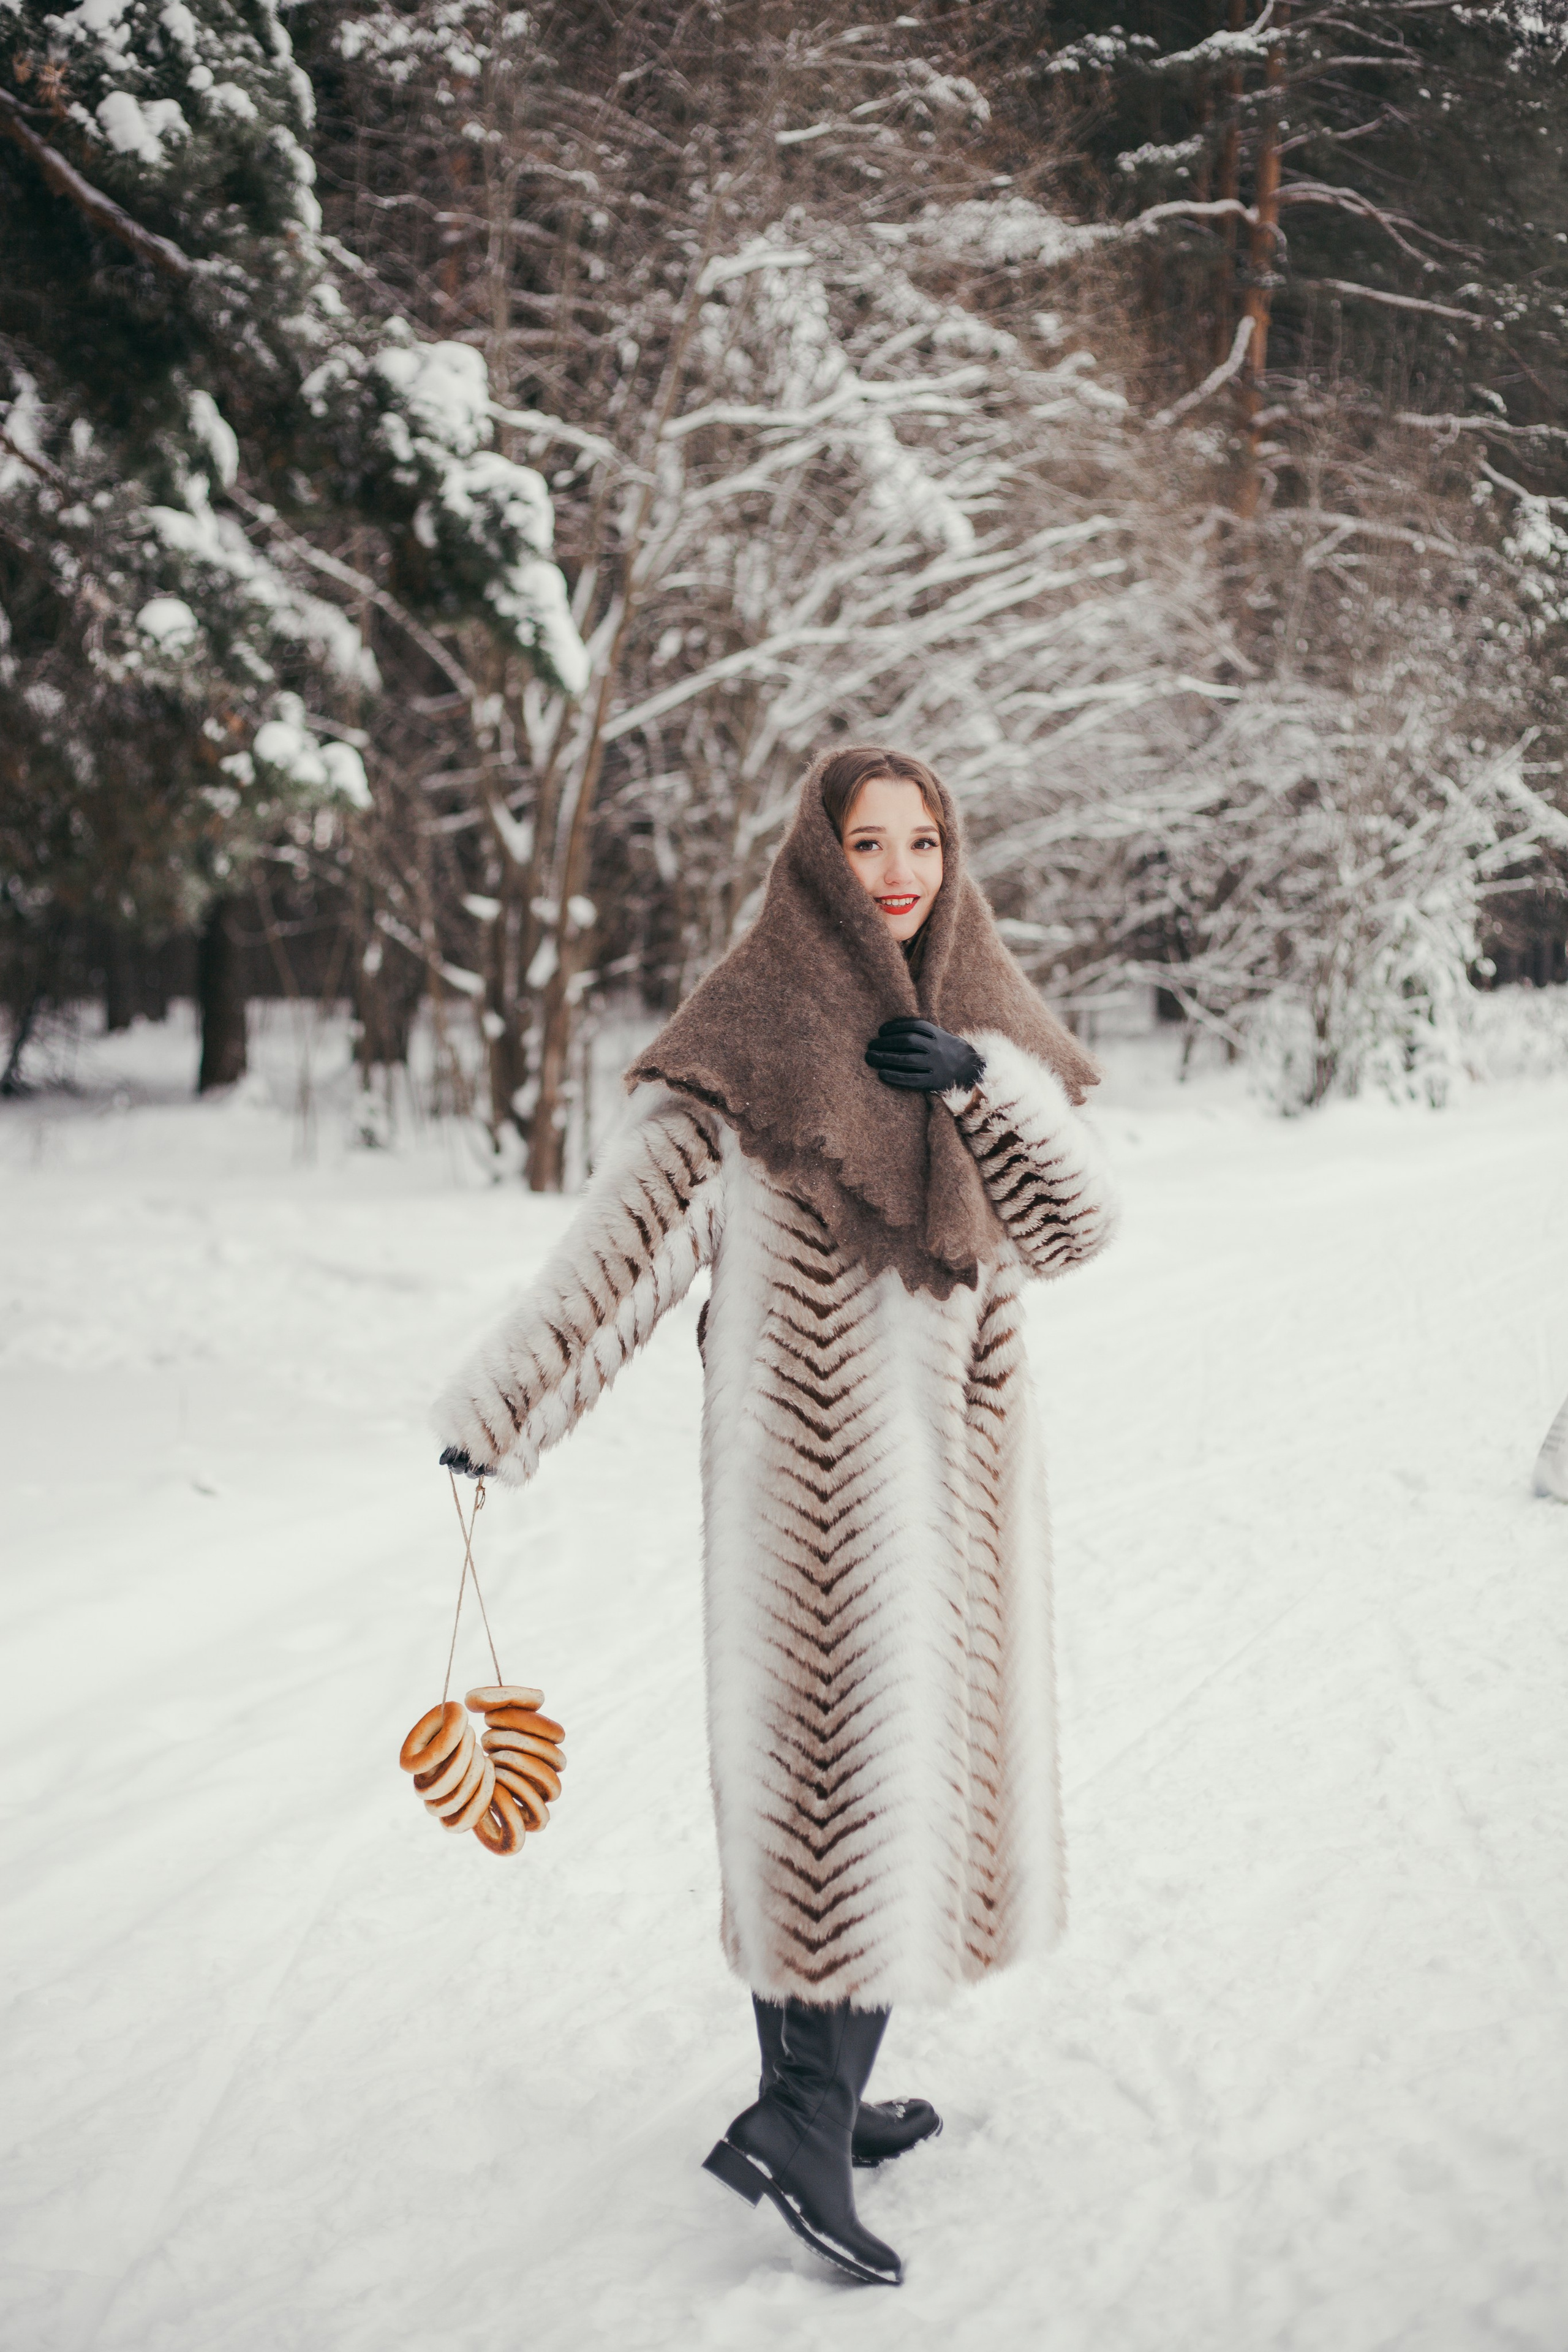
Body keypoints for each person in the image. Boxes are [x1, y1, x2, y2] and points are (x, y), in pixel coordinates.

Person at [435, 745, 1120, 2286]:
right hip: (812, 1501)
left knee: (874, 1792)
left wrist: (982, 1088)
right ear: (813, 858)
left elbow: (1079, 1226)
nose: (896, 872)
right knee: (836, 1794)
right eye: (865, 843)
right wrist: (497, 1416)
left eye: (921, 842)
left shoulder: (980, 1018)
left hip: (958, 1510)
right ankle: (803, 2126)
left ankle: (816, 2098)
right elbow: (616, 1256)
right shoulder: (750, 1042)